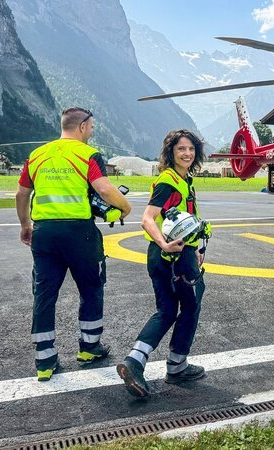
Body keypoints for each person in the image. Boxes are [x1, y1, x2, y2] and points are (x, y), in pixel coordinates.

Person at [15, 107, 132, 381]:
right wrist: (125, 208)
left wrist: (24, 225)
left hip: (44, 233)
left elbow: (21, 194)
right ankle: (89, 348)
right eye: (91, 127)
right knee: (91, 288)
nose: (92, 132)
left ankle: (44, 360)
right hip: (80, 234)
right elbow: (103, 189)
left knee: (44, 294)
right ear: (82, 127)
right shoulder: (88, 155)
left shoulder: (37, 155)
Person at [116, 129, 208, 398]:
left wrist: (195, 248)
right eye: (181, 149)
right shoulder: (169, 182)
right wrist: (165, 245)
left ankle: (135, 361)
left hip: (170, 255)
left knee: (167, 310)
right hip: (172, 257)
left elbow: (182, 220)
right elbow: (147, 218)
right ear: (171, 152)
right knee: (190, 305)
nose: (187, 153)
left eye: (191, 149)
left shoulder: (183, 180)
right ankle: (177, 365)